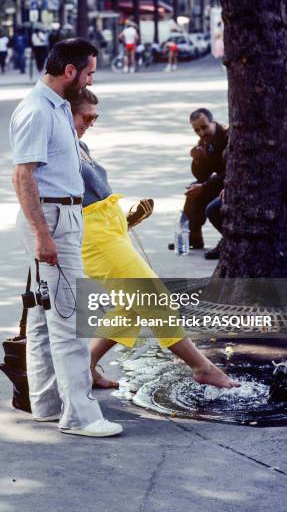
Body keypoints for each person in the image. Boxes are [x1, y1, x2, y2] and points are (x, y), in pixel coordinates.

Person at [70, 88, 240, 391]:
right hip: (93, 236)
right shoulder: (59, 147)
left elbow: (91, 196)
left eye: (96, 116)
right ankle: (202, 367)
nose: (92, 122)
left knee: (132, 305)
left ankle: (86, 365)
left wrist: (127, 218)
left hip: (110, 229)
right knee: (152, 296)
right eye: (87, 116)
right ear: (65, 112)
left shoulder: (79, 143)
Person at [9, 38, 123, 438]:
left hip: (60, 214)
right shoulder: (38, 110)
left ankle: (47, 404)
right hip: (53, 217)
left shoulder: (55, 107)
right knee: (69, 319)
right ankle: (81, 417)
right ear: (70, 71)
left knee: (44, 316)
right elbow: (23, 175)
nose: (92, 78)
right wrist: (43, 233)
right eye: (89, 71)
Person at [183, 108, 228, 250]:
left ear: (212, 122)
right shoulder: (204, 141)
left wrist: (204, 187)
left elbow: (230, 173)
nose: (201, 133)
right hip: (221, 183)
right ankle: (194, 236)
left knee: (206, 199)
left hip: (231, 183)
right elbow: (202, 176)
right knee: (193, 188)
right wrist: (198, 160)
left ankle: (229, 240)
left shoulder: (228, 136)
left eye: (204, 127)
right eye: (197, 130)